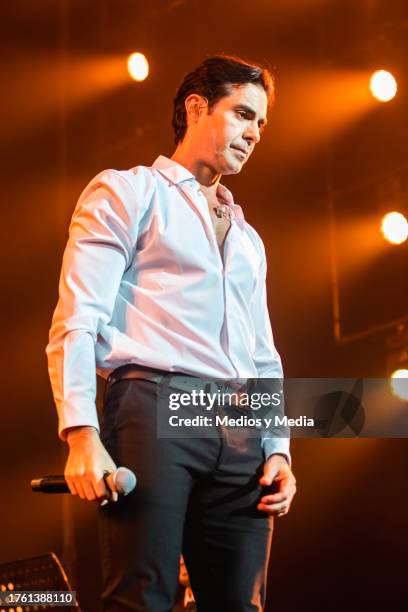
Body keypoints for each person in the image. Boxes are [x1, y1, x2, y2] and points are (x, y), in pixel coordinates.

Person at [46, 55, 297, 611]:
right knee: (145, 596)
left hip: (239, 429)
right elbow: (77, 316)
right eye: (243, 114)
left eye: (262, 124)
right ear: (196, 107)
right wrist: (81, 431)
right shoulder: (128, 192)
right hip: (154, 405)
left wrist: (277, 448)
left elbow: (263, 355)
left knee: (242, 604)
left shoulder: (250, 239)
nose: (255, 133)